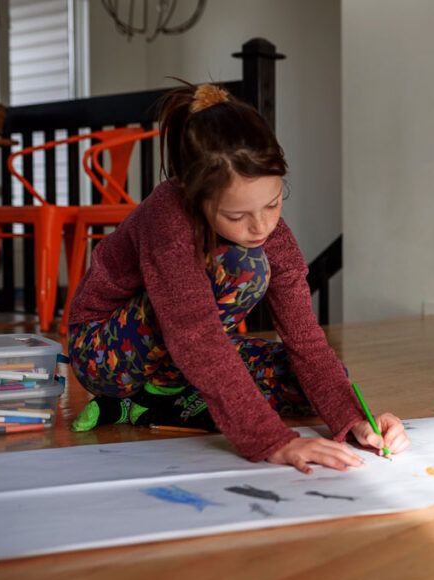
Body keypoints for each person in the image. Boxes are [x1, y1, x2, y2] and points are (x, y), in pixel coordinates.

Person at [67, 82, 410, 472]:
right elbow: (196, 338)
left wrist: (354, 421)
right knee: (244, 267)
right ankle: (130, 396)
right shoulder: (167, 218)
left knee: (311, 383)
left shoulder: (271, 232)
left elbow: (305, 340)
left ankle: (156, 402)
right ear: (197, 198)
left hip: (182, 355)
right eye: (236, 216)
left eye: (274, 203)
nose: (261, 225)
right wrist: (273, 441)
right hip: (103, 351)